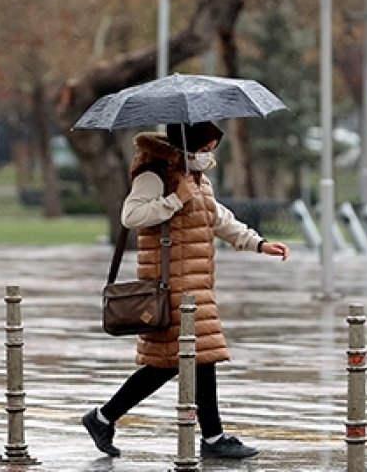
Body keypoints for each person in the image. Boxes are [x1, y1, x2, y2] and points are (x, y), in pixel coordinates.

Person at [80, 121, 290, 460]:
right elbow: (131, 216)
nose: (208, 157)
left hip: (195, 283)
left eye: (211, 151)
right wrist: (175, 199)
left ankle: (104, 418)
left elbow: (219, 219)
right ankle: (211, 438)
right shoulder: (154, 175)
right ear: (185, 145)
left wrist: (258, 243)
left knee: (181, 361)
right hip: (170, 284)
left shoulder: (197, 179)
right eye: (204, 149)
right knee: (192, 358)